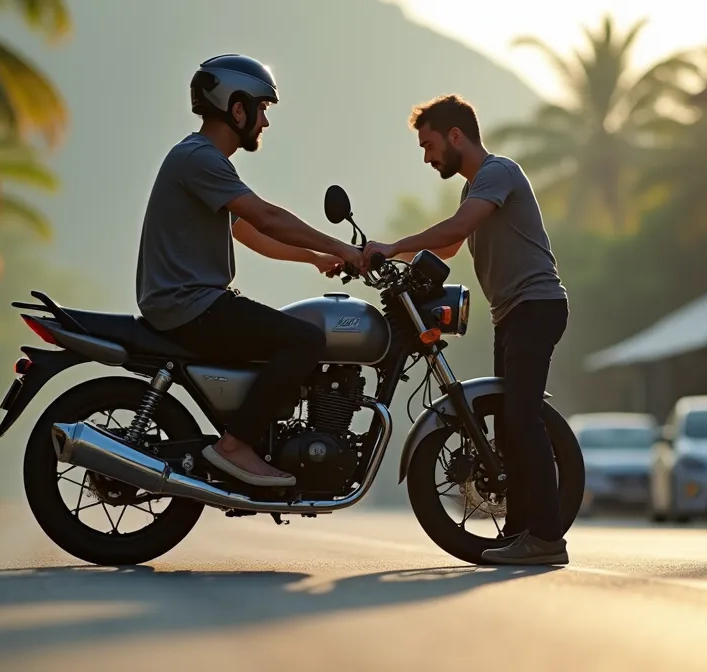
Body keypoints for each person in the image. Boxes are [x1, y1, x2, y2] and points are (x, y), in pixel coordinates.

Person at [137, 54, 365, 488]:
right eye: (262, 108)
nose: (265, 122)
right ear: (236, 107)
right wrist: (341, 247)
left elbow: (248, 233)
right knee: (305, 338)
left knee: (291, 334)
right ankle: (236, 445)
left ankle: (257, 438)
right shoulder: (199, 159)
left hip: (191, 302)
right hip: (190, 305)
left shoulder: (202, 161)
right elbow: (267, 218)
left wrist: (315, 258)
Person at [362, 94, 570, 565]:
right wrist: (378, 263)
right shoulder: (473, 188)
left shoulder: (498, 172)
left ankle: (547, 538)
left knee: (522, 418)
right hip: (511, 313)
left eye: (429, 144)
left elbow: (458, 226)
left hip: (536, 306)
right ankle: (519, 535)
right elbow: (451, 247)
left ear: (456, 136)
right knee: (507, 426)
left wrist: (393, 246)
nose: (427, 155)